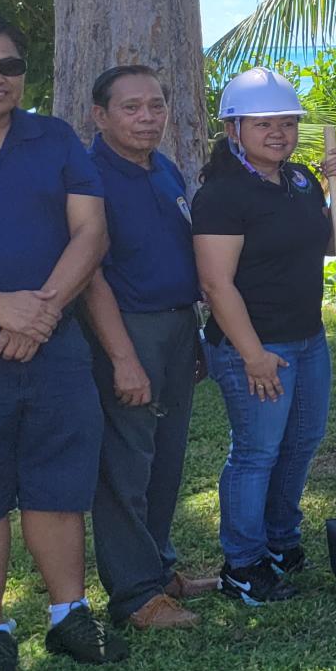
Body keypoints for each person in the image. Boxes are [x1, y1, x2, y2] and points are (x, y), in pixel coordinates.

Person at [0, 10, 119, 671]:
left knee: (60, 482)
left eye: (7, 66)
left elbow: (90, 234)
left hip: (53, 345)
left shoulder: (54, 138)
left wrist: (43, 312)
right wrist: (0, 306)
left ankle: (69, 614)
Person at [193, 69, 336, 606]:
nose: (278, 132)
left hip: (306, 336)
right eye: (264, 124)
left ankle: (281, 542)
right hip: (254, 346)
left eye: (287, 122)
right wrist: (253, 355)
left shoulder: (298, 179)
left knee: (301, 443)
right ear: (234, 128)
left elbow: (331, 244)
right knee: (257, 452)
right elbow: (216, 283)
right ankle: (243, 563)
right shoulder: (222, 194)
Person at [80, 64, 217, 631]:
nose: (146, 117)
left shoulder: (163, 168)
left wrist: (195, 334)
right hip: (127, 329)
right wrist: (122, 358)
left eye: (155, 105)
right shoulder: (89, 177)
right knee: (126, 466)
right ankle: (136, 596)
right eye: (131, 107)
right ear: (100, 114)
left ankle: (160, 571)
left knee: (165, 459)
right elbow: (92, 277)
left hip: (177, 327)